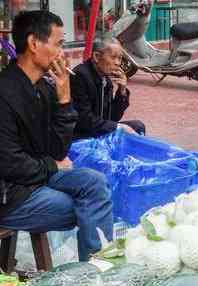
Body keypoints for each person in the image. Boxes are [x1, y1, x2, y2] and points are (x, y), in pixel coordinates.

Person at [0, 11, 113, 261]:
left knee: (95, 183)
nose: (63, 52)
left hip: (37, 178)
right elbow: (9, 162)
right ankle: (97, 274)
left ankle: (97, 271)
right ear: (33, 44)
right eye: (59, 43)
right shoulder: (4, 92)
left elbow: (57, 150)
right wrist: (53, 165)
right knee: (88, 208)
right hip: (10, 194)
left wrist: (64, 99)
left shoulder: (43, 87)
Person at [71, 37, 145, 139]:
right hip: (82, 134)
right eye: (113, 57)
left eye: (119, 58)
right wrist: (118, 127)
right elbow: (84, 120)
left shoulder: (105, 77)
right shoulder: (80, 76)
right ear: (96, 57)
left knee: (138, 126)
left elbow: (113, 117)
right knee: (125, 130)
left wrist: (122, 91)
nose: (118, 63)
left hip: (98, 129)